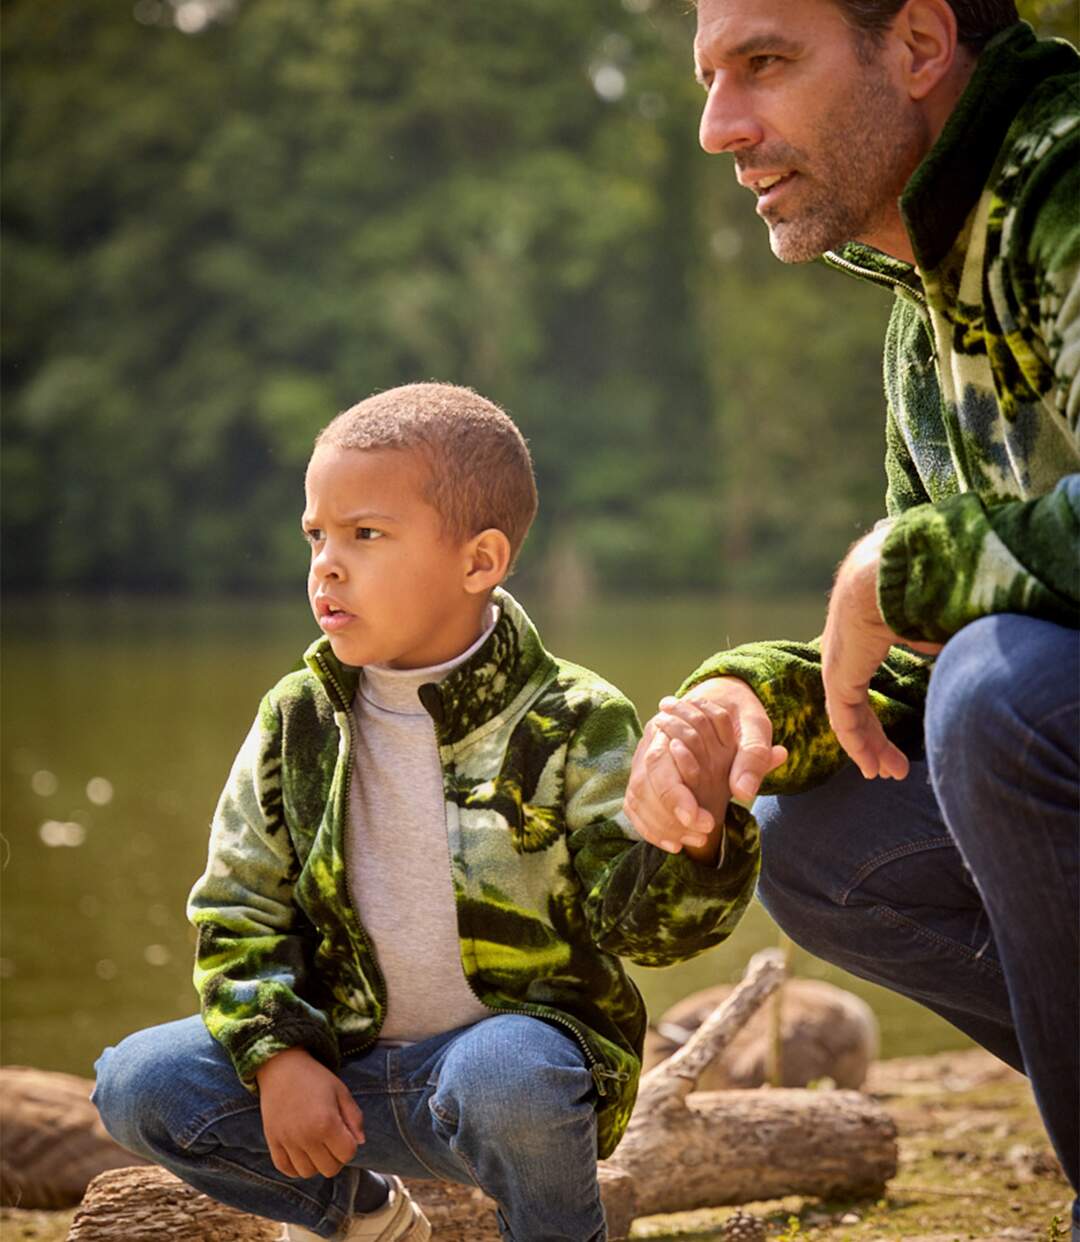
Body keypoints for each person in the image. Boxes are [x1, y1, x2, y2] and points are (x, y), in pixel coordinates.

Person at [92, 382, 759, 1242]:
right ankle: (362, 1215)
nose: (326, 565)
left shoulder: (572, 717)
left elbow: (647, 934)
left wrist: (696, 839)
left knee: (507, 1072)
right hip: (347, 1076)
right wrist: (282, 1055)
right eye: (317, 536)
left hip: (517, 1081)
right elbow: (237, 905)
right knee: (138, 1082)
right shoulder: (298, 717)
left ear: (479, 562)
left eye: (365, 534)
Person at [623, 0, 1080, 1220]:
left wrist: (900, 567)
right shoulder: (922, 305)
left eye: (764, 64)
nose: (721, 127)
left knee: (1003, 696)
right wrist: (743, 703)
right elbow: (918, 678)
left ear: (920, 45)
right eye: (711, 78)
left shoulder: (1068, 178)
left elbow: (961, 633)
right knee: (822, 834)